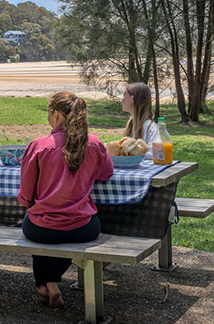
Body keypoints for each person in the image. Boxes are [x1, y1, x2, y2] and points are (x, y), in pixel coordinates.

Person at [17, 91, 114, 308]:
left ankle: (45, 285)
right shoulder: (94, 143)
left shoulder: (39, 145)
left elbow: (26, 195)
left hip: (42, 227)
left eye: (49, 112)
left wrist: (32, 205)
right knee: (65, 234)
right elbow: (106, 173)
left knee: (42, 228)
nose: (48, 117)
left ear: (57, 114)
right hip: (83, 226)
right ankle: (49, 284)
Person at [121, 82, 158, 151]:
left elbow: (155, 152)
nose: (122, 100)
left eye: (124, 96)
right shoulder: (131, 125)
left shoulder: (150, 127)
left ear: (132, 98)